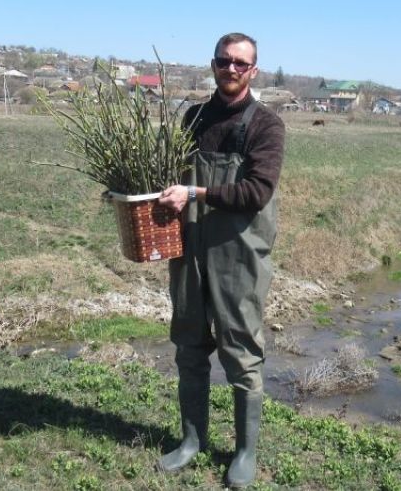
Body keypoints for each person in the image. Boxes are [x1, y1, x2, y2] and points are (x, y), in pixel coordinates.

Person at [157, 32, 285, 488]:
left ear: (253, 70)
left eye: (240, 64)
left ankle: (245, 452)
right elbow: (167, 175)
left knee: (242, 353)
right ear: (213, 65)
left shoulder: (265, 125)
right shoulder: (193, 118)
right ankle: (192, 441)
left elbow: (257, 192)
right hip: (190, 249)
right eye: (223, 61)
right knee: (189, 345)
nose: (231, 69)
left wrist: (195, 192)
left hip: (240, 256)